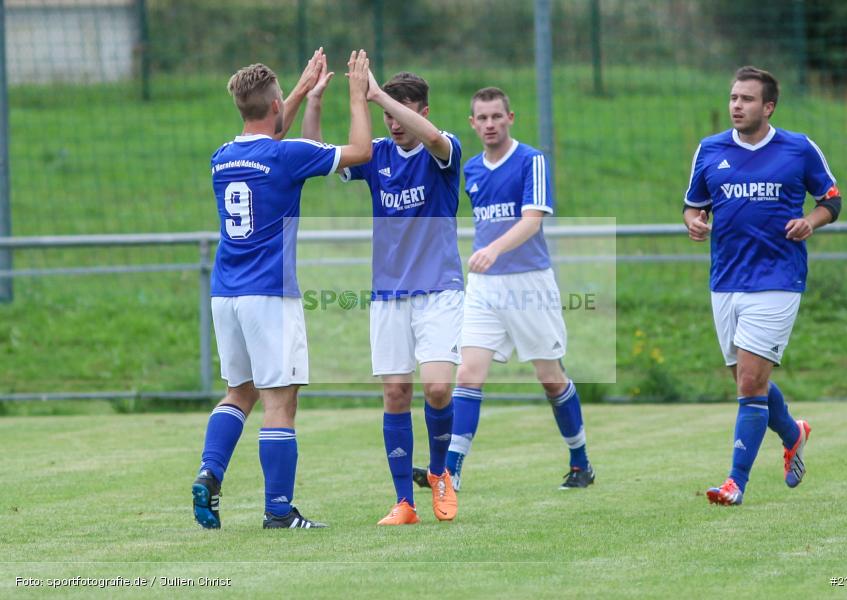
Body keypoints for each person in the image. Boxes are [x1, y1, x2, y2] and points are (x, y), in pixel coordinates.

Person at [191, 49, 373, 529]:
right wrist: (357, 97)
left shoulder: (222, 157)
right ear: (273, 108)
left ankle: (210, 472)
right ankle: (278, 511)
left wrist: (296, 91)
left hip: (225, 292)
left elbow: (269, 129)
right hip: (270, 293)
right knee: (280, 400)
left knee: (239, 392)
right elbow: (361, 152)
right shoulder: (287, 155)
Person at [413, 87, 595, 492]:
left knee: (550, 378)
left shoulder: (531, 161)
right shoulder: (473, 169)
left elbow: (533, 219)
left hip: (530, 283)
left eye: (497, 116)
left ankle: (580, 461)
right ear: (472, 123)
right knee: (469, 375)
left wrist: (493, 249)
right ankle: (451, 471)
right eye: (483, 118)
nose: (490, 124)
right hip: (484, 288)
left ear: (510, 118)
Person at [303, 70, 463, 525]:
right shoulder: (378, 156)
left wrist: (375, 95)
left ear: (422, 111)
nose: (392, 123)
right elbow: (318, 154)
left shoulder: (442, 148)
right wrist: (315, 101)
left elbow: (430, 137)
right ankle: (403, 503)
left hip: (439, 290)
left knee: (436, 388)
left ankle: (439, 474)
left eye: (402, 111)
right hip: (389, 293)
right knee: (396, 392)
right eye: (385, 113)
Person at [683, 66, 842, 506]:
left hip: (777, 278)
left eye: (747, 99)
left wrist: (810, 221)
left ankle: (735, 483)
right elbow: (693, 205)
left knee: (750, 384)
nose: (737, 105)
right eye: (734, 97)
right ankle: (793, 433)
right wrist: (695, 223)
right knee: (746, 381)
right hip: (726, 279)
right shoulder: (710, 149)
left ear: (768, 107)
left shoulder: (798, 148)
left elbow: (831, 199)